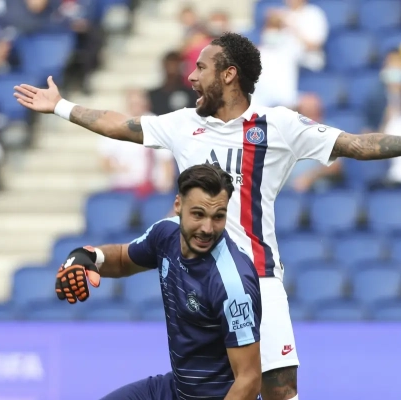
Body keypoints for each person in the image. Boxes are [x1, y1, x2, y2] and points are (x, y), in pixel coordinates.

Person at [14, 32, 401, 400]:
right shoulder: (182, 124)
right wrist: (62, 107)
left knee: (279, 389)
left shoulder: (278, 126)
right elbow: (121, 125)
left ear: (229, 75)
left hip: (258, 278)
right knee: (201, 384)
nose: (191, 76)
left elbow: (356, 145)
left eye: (201, 67)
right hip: (198, 276)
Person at [55, 163, 262, 400]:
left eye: (218, 217)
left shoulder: (233, 283)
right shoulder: (165, 234)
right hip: (176, 390)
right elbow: (122, 259)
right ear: (178, 205)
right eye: (198, 214)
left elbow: (249, 380)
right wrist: (88, 257)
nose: (207, 228)